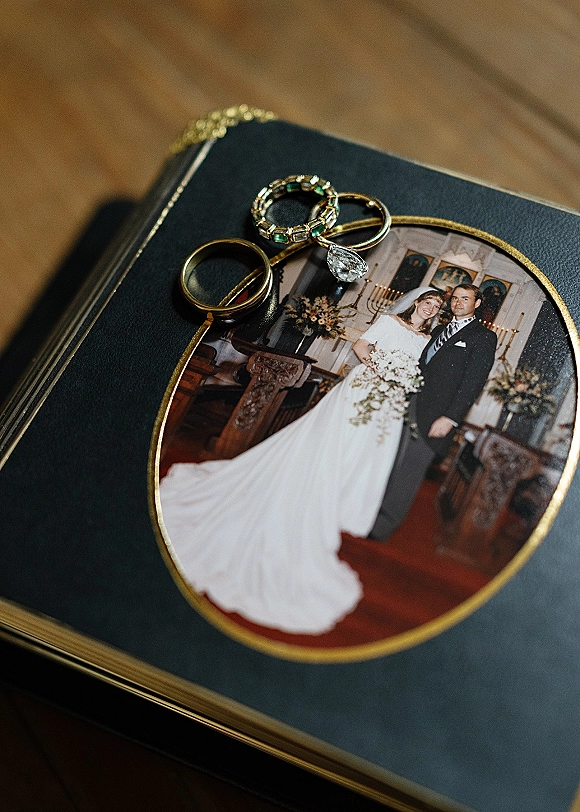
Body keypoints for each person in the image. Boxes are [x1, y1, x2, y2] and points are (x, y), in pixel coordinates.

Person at [159, 288, 443, 635]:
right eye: (428, 302)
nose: (431, 308)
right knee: (338, 438)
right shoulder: (390, 321)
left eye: (436, 306)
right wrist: (381, 367)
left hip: (391, 398)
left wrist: (399, 378)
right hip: (366, 386)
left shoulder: (426, 340)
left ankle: (343, 502)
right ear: (417, 302)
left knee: (368, 450)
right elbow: (361, 346)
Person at [367, 284, 498, 541]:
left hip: (437, 415)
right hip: (409, 404)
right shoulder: (438, 330)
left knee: (410, 469)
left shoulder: (483, 337)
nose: (458, 302)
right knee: (390, 461)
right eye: (455, 298)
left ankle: (382, 527)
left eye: (465, 298)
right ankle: (369, 512)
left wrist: (450, 418)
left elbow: (473, 383)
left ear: (477, 304)